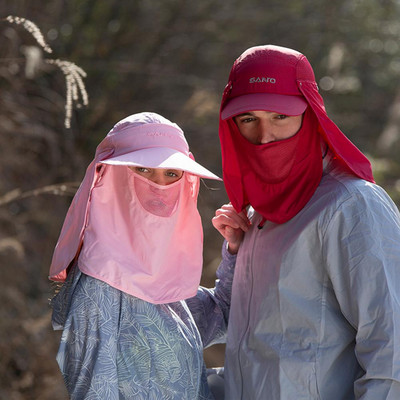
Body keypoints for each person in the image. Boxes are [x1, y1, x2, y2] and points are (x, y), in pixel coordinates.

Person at [188, 45, 400, 399]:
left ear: (311, 115)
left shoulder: (352, 206)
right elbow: (254, 352)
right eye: (248, 119)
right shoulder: (257, 217)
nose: (264, 135)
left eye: (279, 116)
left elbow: (392, 352)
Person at [48, 112, 234, 399]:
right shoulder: (100, 286)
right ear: (109, 175)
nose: (159, 185)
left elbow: (224, 316)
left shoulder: (159, 276)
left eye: (171, 174)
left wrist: (234, 250)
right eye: (143, 169)